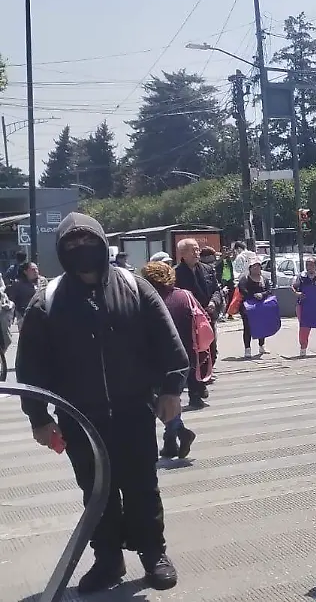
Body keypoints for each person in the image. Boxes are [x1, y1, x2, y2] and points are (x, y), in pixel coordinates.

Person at [16, 212, 190, 592]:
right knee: (98, 493)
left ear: (101, 242)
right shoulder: (46, 301)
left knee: (143, 486)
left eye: (87, 241)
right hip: (81, 420)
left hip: (134, 412)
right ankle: (108, 560)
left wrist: (172, 391)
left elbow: (169, 345)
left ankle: (153, 553)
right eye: (72, 244)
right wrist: (39, 418)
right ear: (61, 251)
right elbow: (30, 367)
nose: (81, 249)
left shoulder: (135, 287)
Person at [140, 261, 200, 459]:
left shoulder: (146, 299)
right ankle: (170, 442)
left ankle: (180, 433)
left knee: (157, 400)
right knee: (172, 398)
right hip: (185, 358)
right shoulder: (185, 296)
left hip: (156, 361)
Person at [175, 239, 220, 408]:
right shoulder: (176, 274)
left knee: (211, 352)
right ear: (182, 254)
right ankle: (195, 392)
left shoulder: (208, 269)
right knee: (194, 357)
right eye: (192, 250)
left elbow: (216, 289)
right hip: (188, 320)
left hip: (207, 318)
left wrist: (214, 302)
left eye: (197, 249)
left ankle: (201, 382)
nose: (196, 252)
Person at [237, 256, 270, 358]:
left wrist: (262, 295)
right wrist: (253, 295)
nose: (256, 269)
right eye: (254, 267)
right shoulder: (245, 279)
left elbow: (269, 290)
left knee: (262, 326)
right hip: (247, 307)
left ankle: (261, 346)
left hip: (261, 306)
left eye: (258, 267)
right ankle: (247, 348)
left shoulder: (264, 279)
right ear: (250, 268)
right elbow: (242, 289)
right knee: (247, 327)